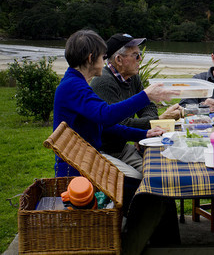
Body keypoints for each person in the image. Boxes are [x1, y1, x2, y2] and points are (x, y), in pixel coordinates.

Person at [53, 29, 178, 177]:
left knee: (153, 173)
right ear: (91, 58)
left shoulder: (76, 83)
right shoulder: (74, 86)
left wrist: (144, 133)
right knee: (139, 181)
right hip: (77, 168)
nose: (105, 61)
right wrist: (146, 96)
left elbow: (104, 124)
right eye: (103, 56)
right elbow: (106, 115)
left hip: (87, 158)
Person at [90, 33, 181, 173]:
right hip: (105, 152)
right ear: (119, 60)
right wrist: (158, 121)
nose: (140, 59)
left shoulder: (133, 77)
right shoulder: (103, 82)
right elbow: (119, 123)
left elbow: (148, 105)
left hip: (123, 147)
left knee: (161, 168)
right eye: (136, 55)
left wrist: (145, 129)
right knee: (148, 177)